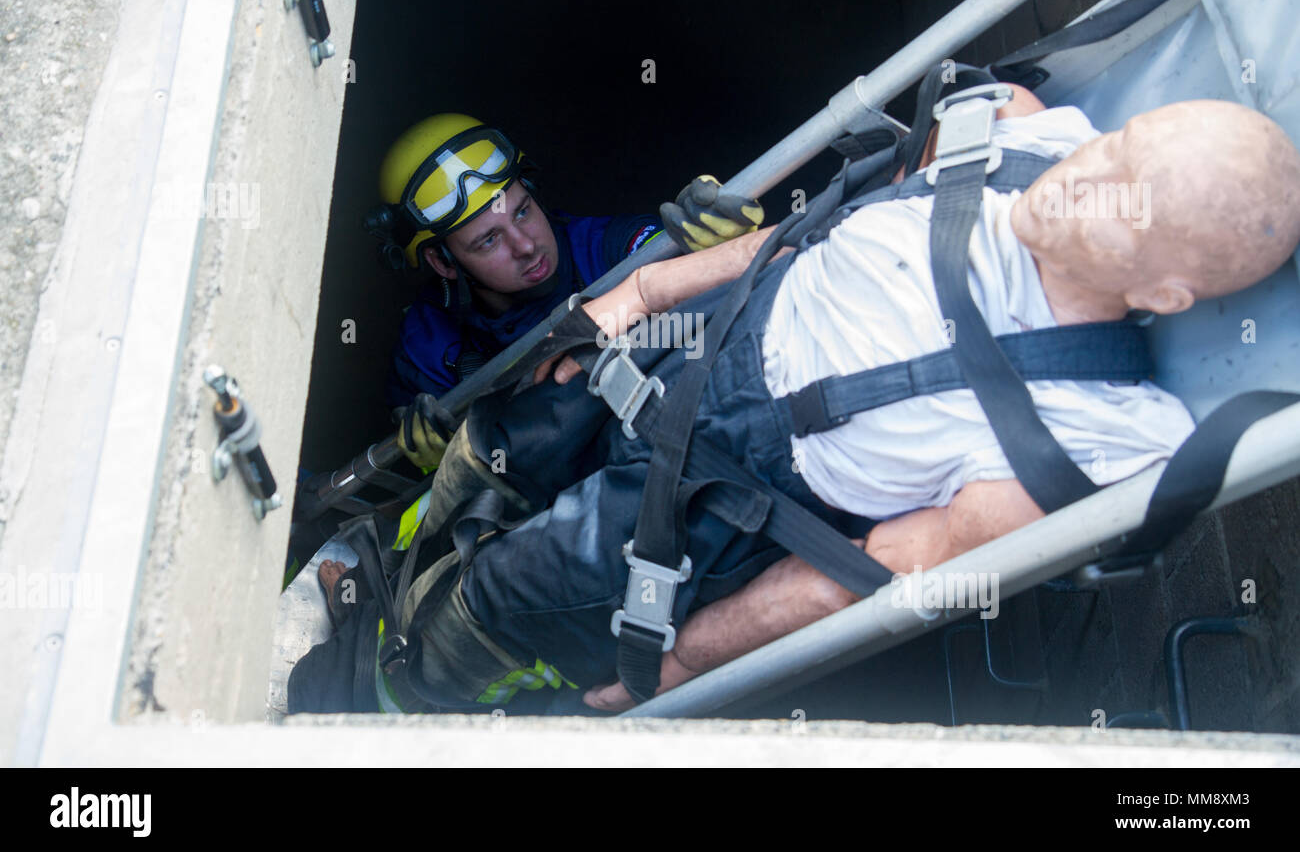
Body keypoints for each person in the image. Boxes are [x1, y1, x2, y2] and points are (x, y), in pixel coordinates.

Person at [295, 90, 1300, 715]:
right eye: (1121, 145)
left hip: (724, 486)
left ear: (1165, 294)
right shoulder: (1027, 133)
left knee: (506, 597)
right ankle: (381, 553)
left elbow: (887, 564)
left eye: (1123, 202)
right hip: (699, 330)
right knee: (495, 442)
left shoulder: (1101, 432)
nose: (1089, 175)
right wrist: (653, 287)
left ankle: (363, 689)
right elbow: (831, 220)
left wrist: (684, 657)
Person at [368, 112, 763, 470]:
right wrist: (441, 462)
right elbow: (410, 448)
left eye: (522, 211)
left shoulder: (610, 250)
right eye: (488, 240)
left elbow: (659, 249)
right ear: (443, 263)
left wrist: (717, 245)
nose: (525, 246)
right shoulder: (430, 344)